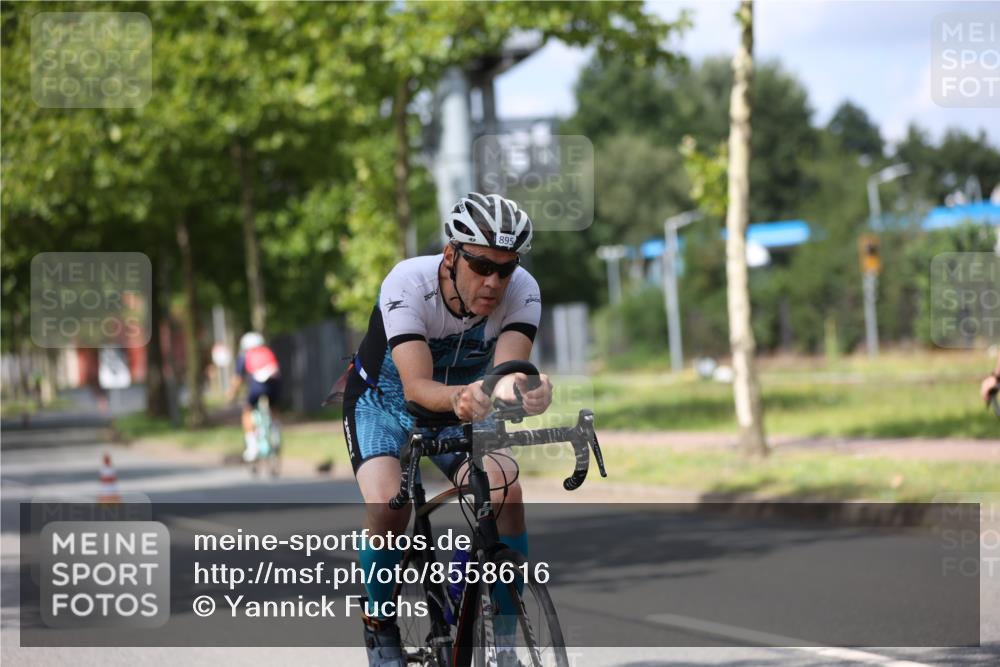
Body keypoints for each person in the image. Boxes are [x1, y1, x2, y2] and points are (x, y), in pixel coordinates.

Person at [341, 193, 553, 667]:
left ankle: (501, 639)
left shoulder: (522, 289)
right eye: (481, 265)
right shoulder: (408, 283)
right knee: (387, 503)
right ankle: (378, 625)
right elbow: (416, 388)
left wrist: (531, 390)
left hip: (467, 402)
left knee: (505, 491)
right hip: (385, 404)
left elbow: (509, 372)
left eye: (507, 268)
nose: (494, 282)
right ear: (451, 254)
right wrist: (464, 397)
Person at [227, 332, 282, 462]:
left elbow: (238, 378)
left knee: (247, 410)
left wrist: (232, 393)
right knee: (274, 407)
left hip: (257, 386)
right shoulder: (268, 352)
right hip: (275, 384)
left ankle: (252, 446)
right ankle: (276, 431)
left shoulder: (245, 355)